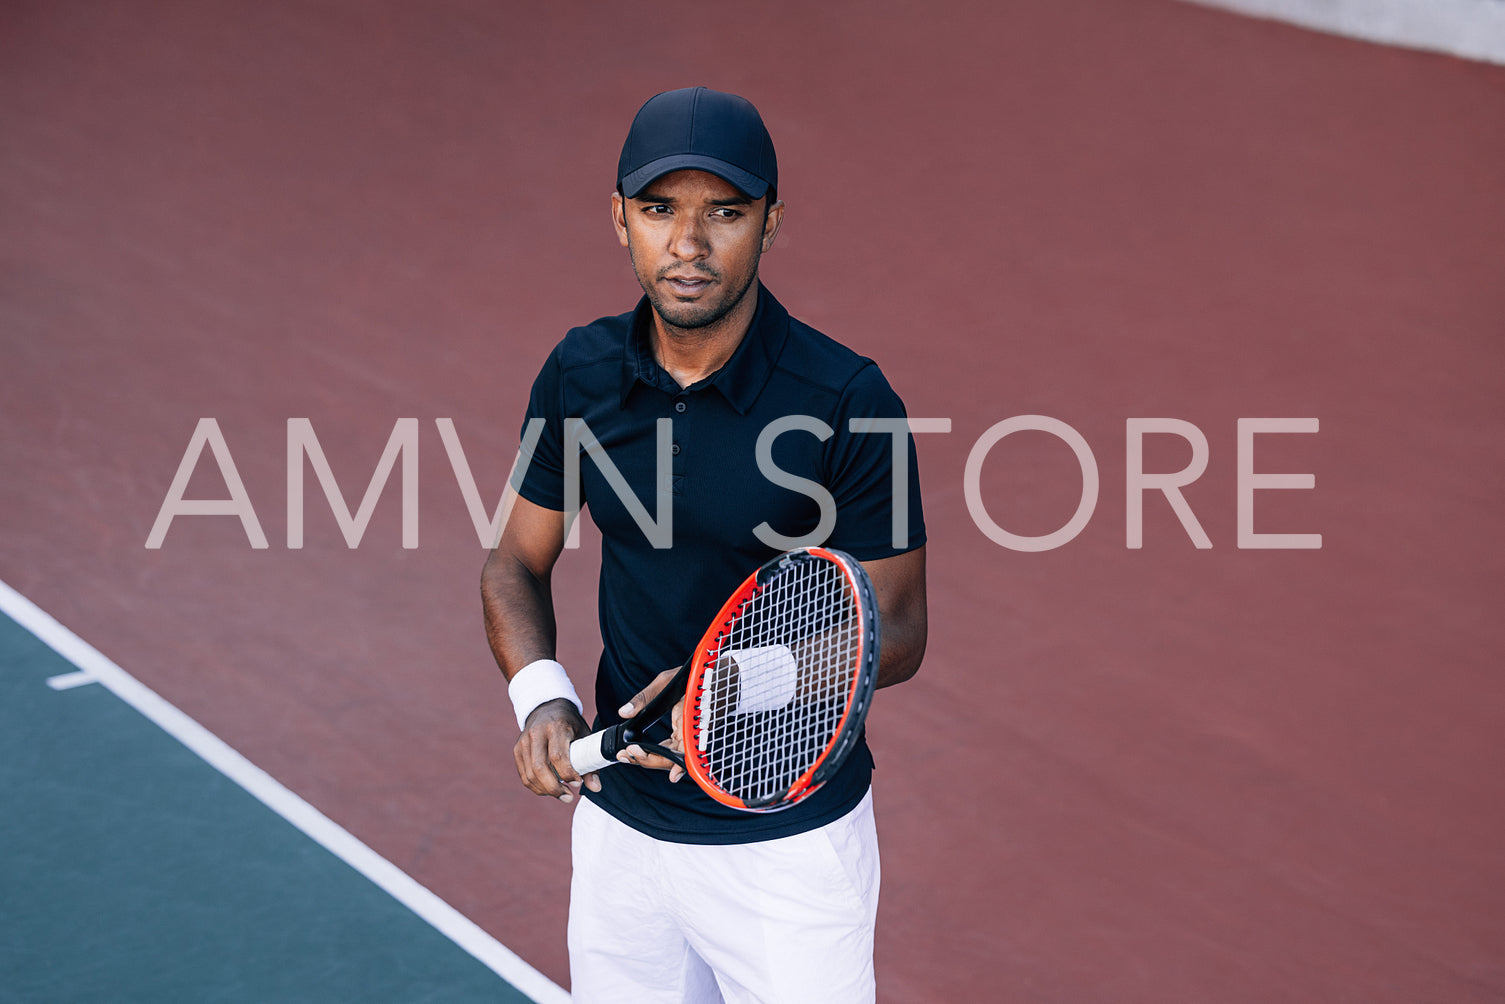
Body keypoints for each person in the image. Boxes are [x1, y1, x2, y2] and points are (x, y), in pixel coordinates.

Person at [481, 85, 927, 1003]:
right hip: (621, 837)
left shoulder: (847, 399)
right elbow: (515, 562)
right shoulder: (581, 372)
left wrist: (725, 691)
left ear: (769, 225)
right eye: (658, 212)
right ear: (619, 221)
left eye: (723, 213)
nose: (687, 246)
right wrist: (542, 700)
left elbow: (897, 628)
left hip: (787, 852)